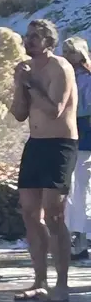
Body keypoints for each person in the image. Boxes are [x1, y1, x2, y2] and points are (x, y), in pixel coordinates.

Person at [10, 19, 78, 302]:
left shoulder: (60, 67)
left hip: (59, 144)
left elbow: (54, 110)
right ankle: (40, 280)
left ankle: (62, 283)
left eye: (35, 37)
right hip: (35, 144)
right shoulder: (26, 70)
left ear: (49, 42)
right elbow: (18, 114)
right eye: (27, 36)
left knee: (54, 214)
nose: (28, 41)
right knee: (29, 212)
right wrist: (19, 84)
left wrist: (30, 83)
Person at [63, 37, 91, 260]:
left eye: (71, 51)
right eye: (65, 51)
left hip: (84, 136)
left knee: (81, 187)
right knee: (71, 188)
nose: (67, 55)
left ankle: (81, 237)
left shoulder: (87, 78)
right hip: (67, 135)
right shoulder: (63, 74)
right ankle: (74, 236)